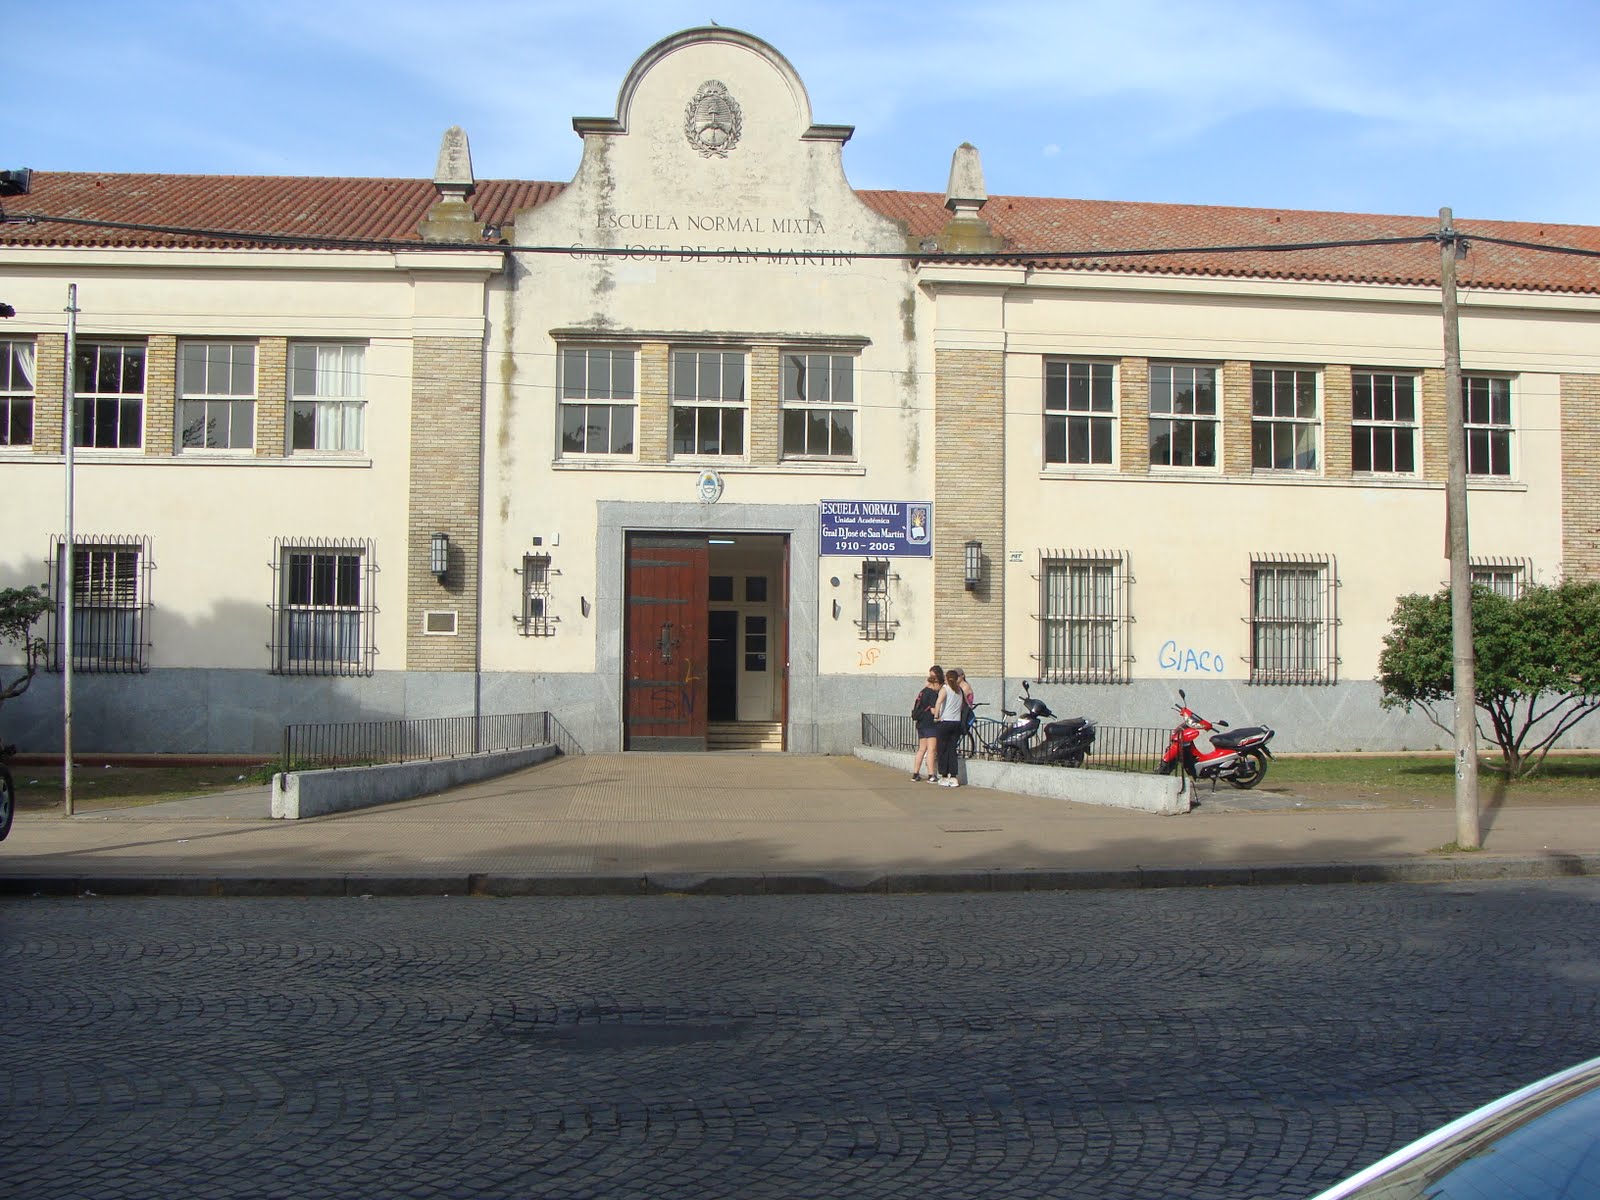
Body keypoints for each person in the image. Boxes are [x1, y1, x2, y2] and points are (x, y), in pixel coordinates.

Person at [910, 665, 944, 782]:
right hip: (930, 724)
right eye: (939, 685)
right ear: (936, 683)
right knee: (931, 749)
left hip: (920, 724)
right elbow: (933, 710)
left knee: (921, 749)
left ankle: (915, 773)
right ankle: (931, 774)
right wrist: (940, 717)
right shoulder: (932, 693)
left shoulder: (922, 692)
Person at [934, 667, 967, 787]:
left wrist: (936, 716)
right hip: (956, 722)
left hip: (945, 722)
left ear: (946, 679)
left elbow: (938, 702)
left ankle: (943, 775)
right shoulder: (960, 690)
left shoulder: (945, 689)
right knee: (952, 750)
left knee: (942, 749)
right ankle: (953, 776)